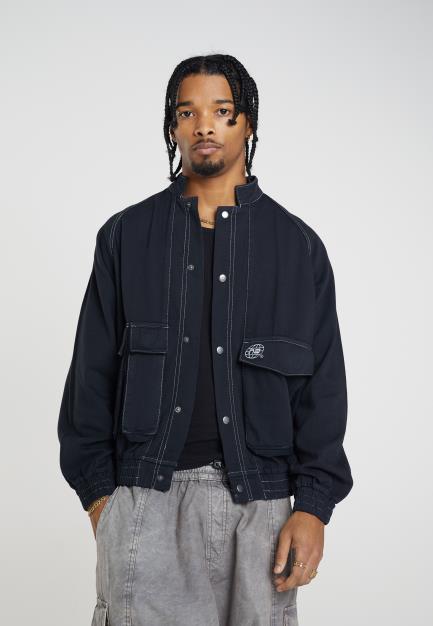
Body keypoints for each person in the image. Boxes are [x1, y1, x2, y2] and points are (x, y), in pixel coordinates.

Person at [57, 53, 353, 626]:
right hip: (145, 499)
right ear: (173, 127)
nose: (203, 126)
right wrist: (101, 501)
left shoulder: (298, 247)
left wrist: (314, 507)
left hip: (262, 507)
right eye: (187, 112)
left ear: (248, 124)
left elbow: (323, 389)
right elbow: (90, 376)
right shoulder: (125, 236)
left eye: (221, 110)